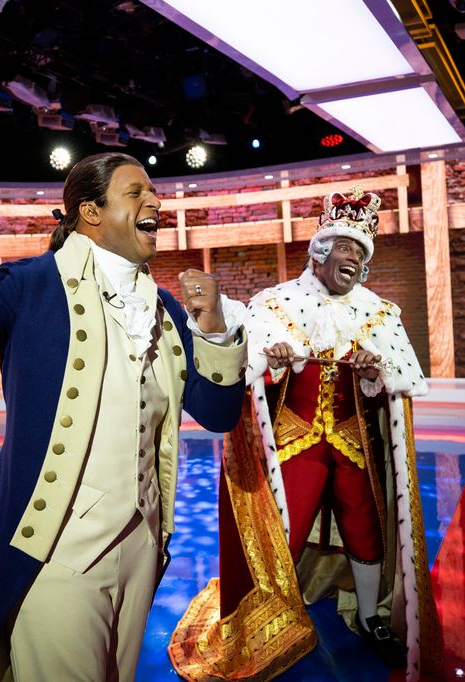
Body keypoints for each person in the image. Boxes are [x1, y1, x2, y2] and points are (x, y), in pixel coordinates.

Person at [0, 137, 248, 681]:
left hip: (142, 547)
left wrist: (211, 332)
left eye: (154, 191)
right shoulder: (29, 286)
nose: (155, 202)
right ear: (90, 213)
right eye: (135, 192)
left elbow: (217, 414)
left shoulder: (164, 308)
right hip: (55, 551)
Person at [169, 187, 442, 681]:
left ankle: (370, 615)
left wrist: (372, 370)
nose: (354, 259)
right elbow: (245, 370)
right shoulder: (275, 303)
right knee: (284, 528)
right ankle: (269, 613)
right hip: (294, 440)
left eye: (361, 254)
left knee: (366, 527)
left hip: (354, 439)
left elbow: (401, 379)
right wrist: (272, 362)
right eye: (347, 248)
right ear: (321, 250)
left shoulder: (381, 311)